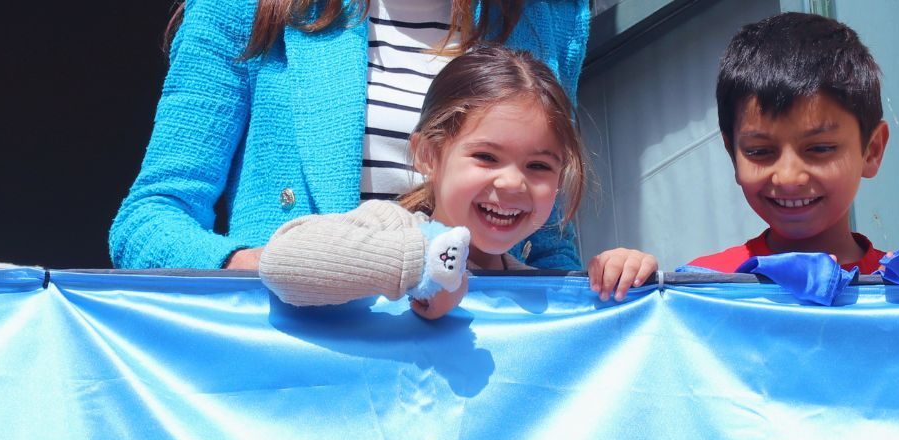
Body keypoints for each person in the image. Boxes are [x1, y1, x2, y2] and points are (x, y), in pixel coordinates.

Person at [109, 0, 589, 272]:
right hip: (298, 363)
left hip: (478, 363)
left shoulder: (549, 16)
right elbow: (149, 221)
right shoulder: (244, 9)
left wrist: (612, 292)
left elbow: (547, 243)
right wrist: (272, 268)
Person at [259, 45, 656, 318]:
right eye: (486, 157)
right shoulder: (394, 226)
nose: (513, 182)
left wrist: (623, 280)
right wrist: (423, 266)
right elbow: (280, 260)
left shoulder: (538, 292)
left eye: (538, 166)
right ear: (428, 155)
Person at [684, 11, 890, 274]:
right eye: (759, 151)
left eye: (819, 148)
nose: (788, 177)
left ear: (872, 151)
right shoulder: (703, 288)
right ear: (732, 155)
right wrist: (624, 286)